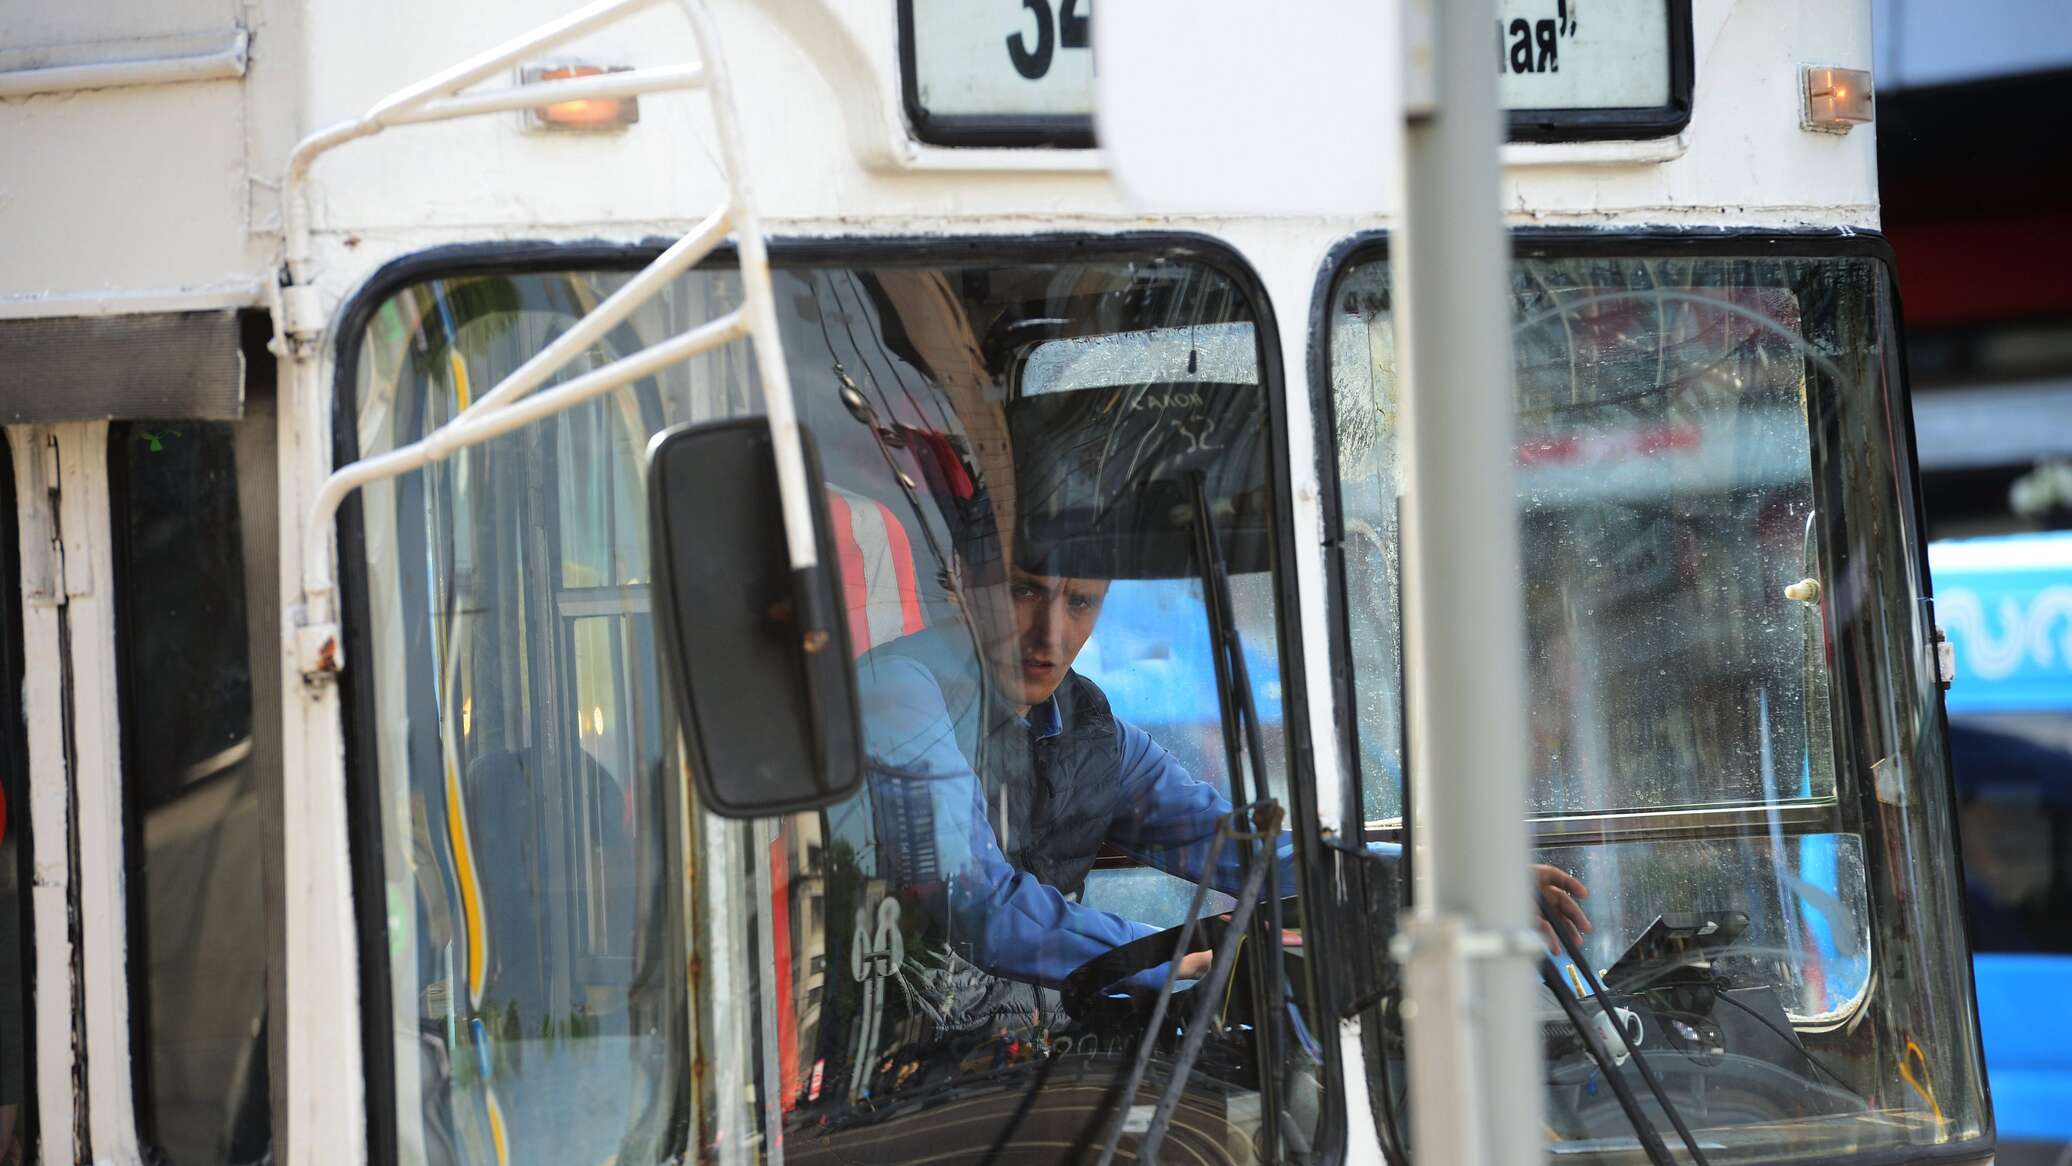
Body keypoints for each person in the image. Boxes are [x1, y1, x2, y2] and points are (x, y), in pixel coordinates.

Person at [855, 557, 1593, 1022]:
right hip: (890, 1060)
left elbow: (1242, 849)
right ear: (965, 578)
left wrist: (1445, 887)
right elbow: (971, 902)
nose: (1050, 632)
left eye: (1080, 603)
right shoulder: (901, 689)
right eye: (1025, 592)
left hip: (1020, 1044)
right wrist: (1163, 955)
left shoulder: (1089, 733)